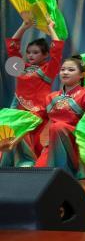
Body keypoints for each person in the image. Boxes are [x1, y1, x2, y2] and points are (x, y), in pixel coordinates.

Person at [5, 18, 64, 156]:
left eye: (35, 52)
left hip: (37, 111)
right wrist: (23, 27)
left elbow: (57, 51)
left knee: (27, 136)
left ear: (45, 55)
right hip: (18, 107)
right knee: (14, 136)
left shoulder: (48, 70)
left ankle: (29, 161)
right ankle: (30, 159)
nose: (30, 55)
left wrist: (51, 28)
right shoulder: (21, 67)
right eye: (29, 52)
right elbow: (12, 48)